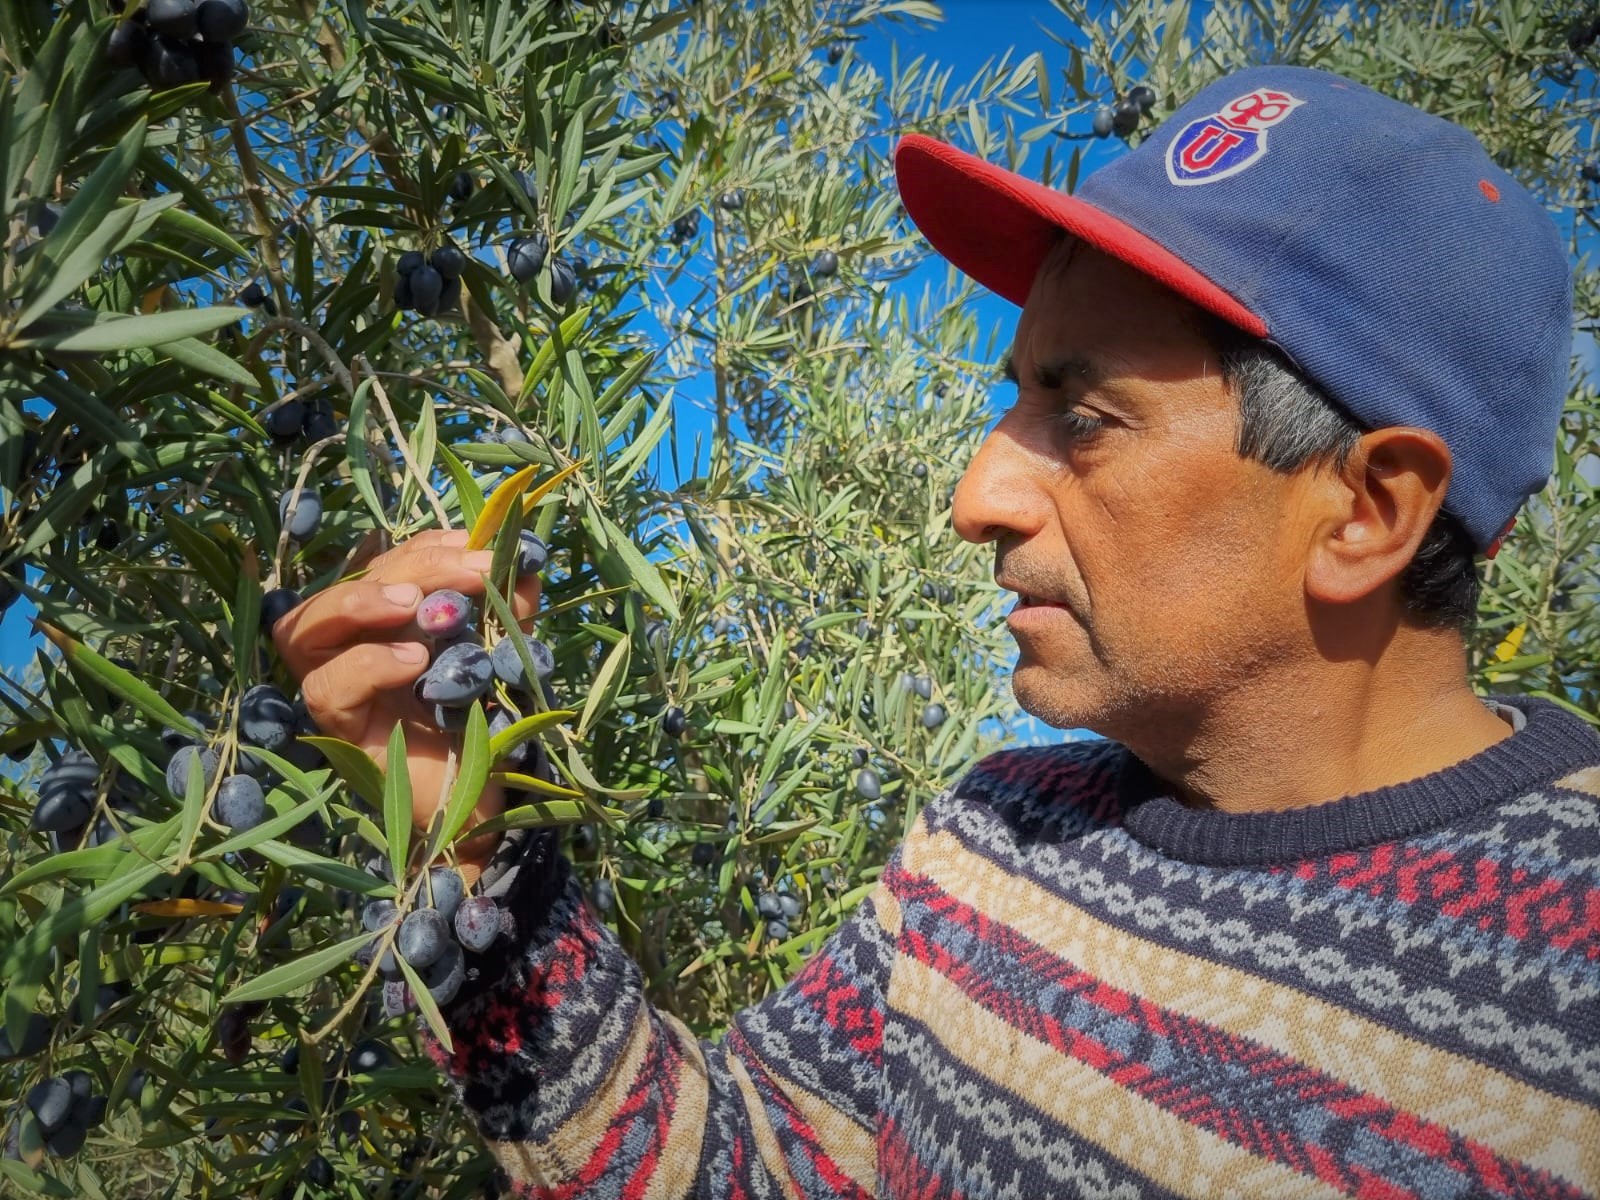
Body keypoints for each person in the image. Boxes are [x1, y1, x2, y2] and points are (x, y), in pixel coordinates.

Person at [274, 65, 1600, 1198]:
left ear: (1365, 511)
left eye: (1083, 418)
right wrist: (477, 843)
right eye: (1014, 398)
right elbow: (745, 1168)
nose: (978, 498)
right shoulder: (994, 837)